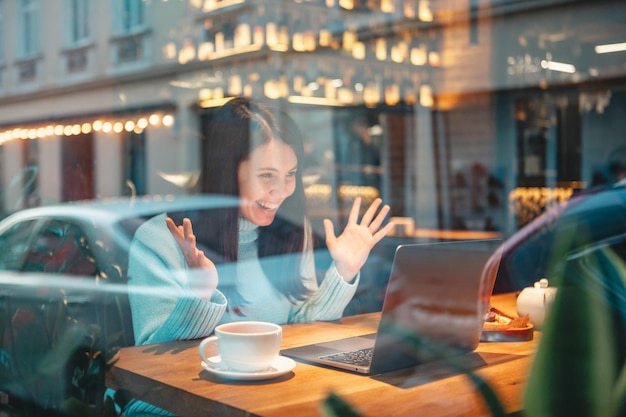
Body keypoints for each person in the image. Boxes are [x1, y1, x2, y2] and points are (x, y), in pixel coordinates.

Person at [118, 97, 394, 416]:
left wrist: (342, 272)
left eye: (290, 173)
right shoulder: (161, 238)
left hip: (262, 396)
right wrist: (200, 295)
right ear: (226, 171)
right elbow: (149, 365)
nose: (282, 190)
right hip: (174, 405)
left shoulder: (290, 231)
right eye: (266, 175)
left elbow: (299, 325)